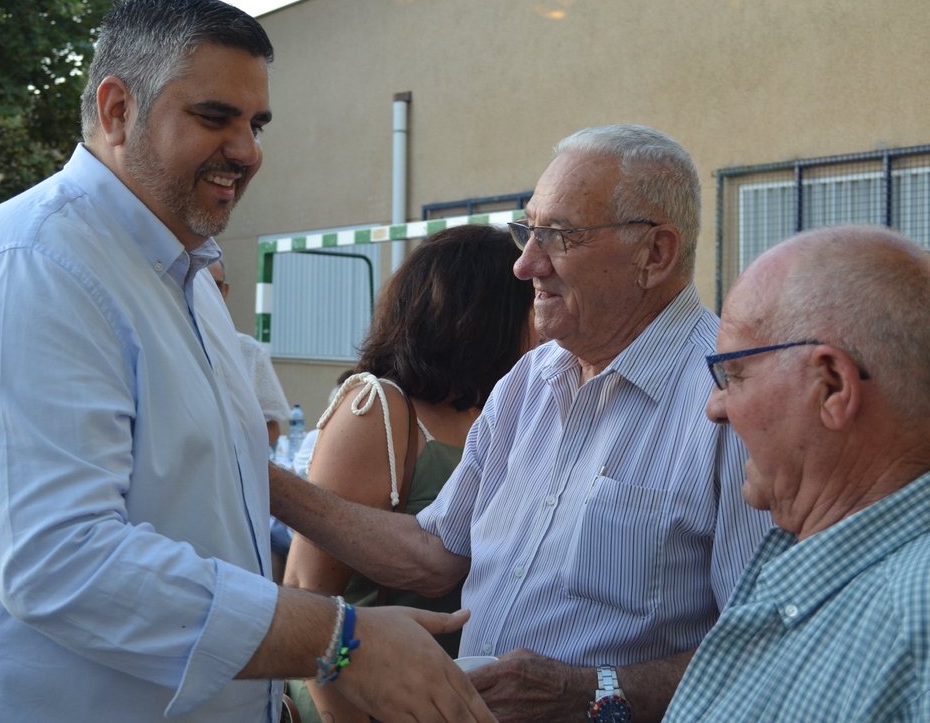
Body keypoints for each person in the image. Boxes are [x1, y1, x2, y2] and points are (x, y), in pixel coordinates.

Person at [0, 0, 493, 723]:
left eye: (256, 124)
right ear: (118, 109)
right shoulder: (30, 263)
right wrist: (338, 641)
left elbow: (197, 505)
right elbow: (60, 560)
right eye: (215, 117)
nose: (247, 151)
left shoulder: (185, 279)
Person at [271, 124, 773, 723]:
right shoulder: (530, 379)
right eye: (527, 231)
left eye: (559, 236)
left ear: (655, 254)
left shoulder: (735, 402)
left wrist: (589, 691)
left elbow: (767, 647)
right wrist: (261, 479)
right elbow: (436, 552)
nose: (525, 264)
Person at [662, 226, 930, 722]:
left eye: (734, 375)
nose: (715, 407)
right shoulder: (834, 571)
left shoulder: (916, 622)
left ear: (831, 386)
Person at [286, 223, 538, 723]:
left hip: (455, 696)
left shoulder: (505, 410)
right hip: (363, 698)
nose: (544, 323)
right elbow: (307, 588)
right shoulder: (379, 410)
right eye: (531, 306)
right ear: (487, 315)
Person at [208, 260, 289, 449]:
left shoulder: (249, 350)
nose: (208, 292)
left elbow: (272, 428)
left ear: (225, 291)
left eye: (215, 285)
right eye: (200, 284)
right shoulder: (161, 342)